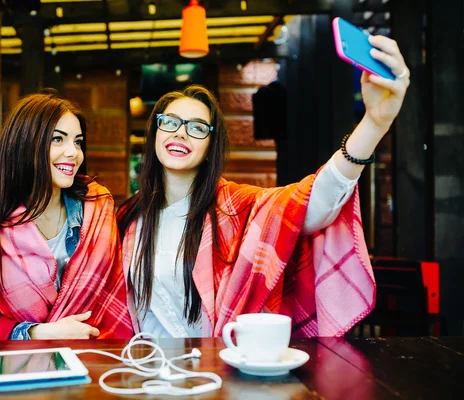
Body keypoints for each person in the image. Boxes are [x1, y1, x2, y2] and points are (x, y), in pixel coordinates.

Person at [117, 35, 410, 338]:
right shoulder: (126, 218)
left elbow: (312, 205)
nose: (180, 133)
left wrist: (374, 123)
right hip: (145, 374)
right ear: (154, 134)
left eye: (197, 127)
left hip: (215, 373)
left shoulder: (237, 207)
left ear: (211, 146)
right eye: (170, 122)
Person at [0, 91, 133, 340]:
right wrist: (39, 333)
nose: (73, 152)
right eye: (57, 139)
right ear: (25, 144)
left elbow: (115, 299)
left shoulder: (98, 209)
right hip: (18, 370)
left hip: (95, 363)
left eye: (77, 142)